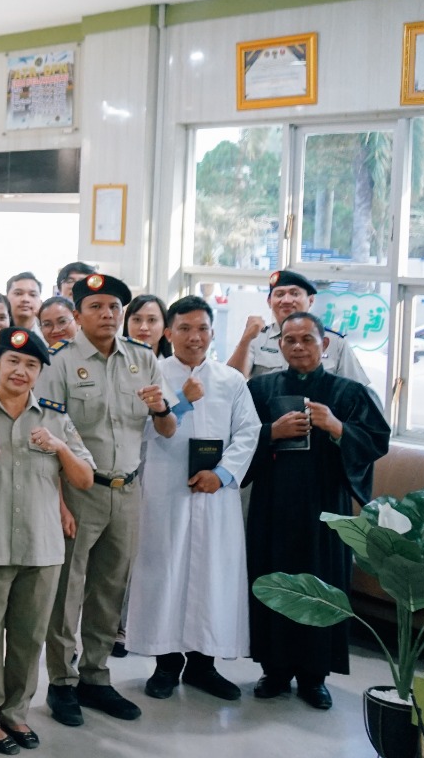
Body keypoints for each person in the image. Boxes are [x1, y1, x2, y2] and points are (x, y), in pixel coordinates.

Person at [37, 273, 177, 728]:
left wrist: (160, 408)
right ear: (76, 315)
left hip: (128, 490)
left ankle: (95, 676)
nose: (107, 315)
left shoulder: (142, 359)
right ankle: (62, 681)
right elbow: (47, 440)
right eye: (96, 307)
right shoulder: (57, 363)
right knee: (67, 590)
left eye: (114, 307)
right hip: (80, 491)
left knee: (111, 589)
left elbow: (167, 428)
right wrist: (57, 502)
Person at [244, 312, 389, 709]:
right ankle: (273, 669)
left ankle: (314, 675)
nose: (297, 347)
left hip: (325, 508)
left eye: (306, 339)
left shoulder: (349, 392)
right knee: (272, 578)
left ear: (324, 345)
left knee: (322, 583)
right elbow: (237, 439)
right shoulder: (260, 388)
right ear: (279, 346)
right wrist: (271, 432)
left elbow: (378, 440)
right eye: (289, 340)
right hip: (273, 506)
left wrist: (337, 427)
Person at [0, 329, 94, 755]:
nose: (21, 371)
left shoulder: (54, 418)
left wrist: (59, 448)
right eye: (13, 362)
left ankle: (15, 715)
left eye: (31, 365)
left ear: (39, 373)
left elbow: (85, 479)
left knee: (28, 638)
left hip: (42, 547)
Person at [125, 296, 259, 703]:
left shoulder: (231, 381)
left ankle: (204, 665)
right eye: (184, 328)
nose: (193, 337)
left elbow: (248, 432)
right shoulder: (152, 375)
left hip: (215, 496)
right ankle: (166, 664)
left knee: (212, 578)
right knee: (165, 573)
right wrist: (181, 400)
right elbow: (140, 433)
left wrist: (221, 475)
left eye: (202, 329)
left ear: (213, 333)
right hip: (165, 492)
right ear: (168, 333)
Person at [226, 269, 372, 388]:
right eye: (279, 294)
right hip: (270, 421)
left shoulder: (335, 342)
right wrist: (246, 339)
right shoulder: (257, 338)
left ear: (311, 300)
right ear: (269, 302)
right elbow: (232, 383)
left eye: (294, 293)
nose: (286, 300)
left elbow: (358, 393)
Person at [124, 294, 172, 359]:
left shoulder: (173, 367)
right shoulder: (113, 363)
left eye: (152, 320)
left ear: (165, 327)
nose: (143, 328)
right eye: (137, 319)